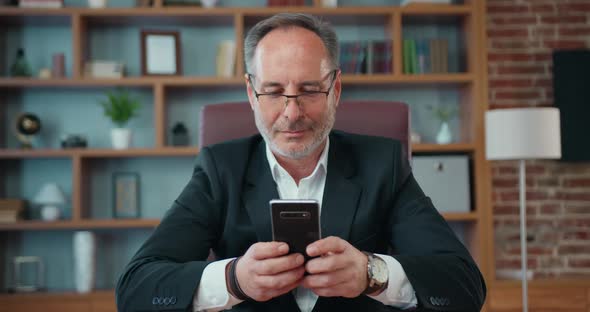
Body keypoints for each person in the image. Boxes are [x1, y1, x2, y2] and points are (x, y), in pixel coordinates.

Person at [116, 13, 486, 312]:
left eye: (309, 91)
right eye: (274, 92)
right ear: (251, 93)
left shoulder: (383, 165)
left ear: (335, 90)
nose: (291, 113)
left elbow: (464, 286)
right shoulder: (220, 169)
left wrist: (372, 274)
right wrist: (234, 281)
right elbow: (135, 289)